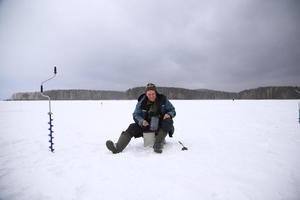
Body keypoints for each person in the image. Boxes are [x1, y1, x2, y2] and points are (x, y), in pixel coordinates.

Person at [106, 83, 176, 154]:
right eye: (149, 94)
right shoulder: (142, 102)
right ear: (146, 94)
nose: (151, 96)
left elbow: (172, 110)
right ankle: (117, 147)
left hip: (160, 127)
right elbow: (136, 114)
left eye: (153, 94)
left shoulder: (163, 99)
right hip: (147, 126)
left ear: (156, 92)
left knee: (168, 121)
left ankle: (158, 144)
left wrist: (169, 114)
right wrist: (142, 121)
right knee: (132, 127)